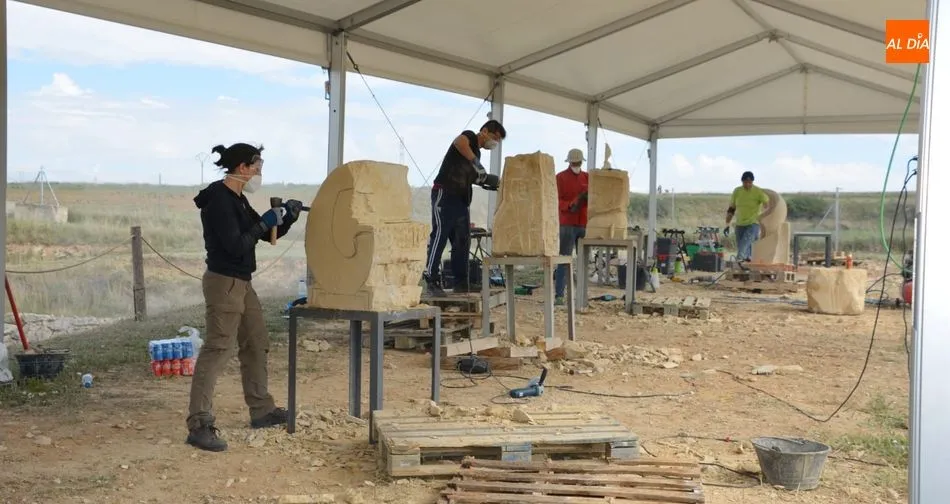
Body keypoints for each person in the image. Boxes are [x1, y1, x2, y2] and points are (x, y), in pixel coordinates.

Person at [186, 142, 304, 452]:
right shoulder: (220, 202)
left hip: (243, 282)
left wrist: (285, 218)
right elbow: (237, 245)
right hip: (224, 282)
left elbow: (264, 234)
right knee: (217, 349)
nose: (259, 174)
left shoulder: (237, 199)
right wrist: (265, 221)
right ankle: (199, 424)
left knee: (255, 342)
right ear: (242, 168)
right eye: (257, 168)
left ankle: (262, 409)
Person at [423, 120, 506, 297]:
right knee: (440, 235)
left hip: (461, 200)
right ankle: (431, 280)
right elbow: (459, 142)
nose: (495, 142)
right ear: (485, 131)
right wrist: (476, 163)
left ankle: (461, 282)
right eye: (495, 137)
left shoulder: (477, 154)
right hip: (444, 194)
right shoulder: (469, 138)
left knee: (462, 241)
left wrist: (487, 181)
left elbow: (473, 177)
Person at [555, 148, 589, 305]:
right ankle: (559, 295)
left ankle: (582, 296)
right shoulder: (560, 178)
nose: (576, 164)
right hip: (567, 224)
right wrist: (570, 205)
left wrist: (585, 198)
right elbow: (556, 200)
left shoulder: (587, 177)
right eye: (573, 162)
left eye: (578, 162)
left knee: (583, 261)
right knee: (564, 259)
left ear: (581, 162)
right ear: (569, 162)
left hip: (583, 223)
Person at [724, 170, 769, 262]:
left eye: (750, 182)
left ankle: (738, 260)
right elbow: (732, 208)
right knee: (744, 247)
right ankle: (748, 267)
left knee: (743, 247)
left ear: (752, 182)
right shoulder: (737, 191)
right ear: (742, 181)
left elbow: (767, 205)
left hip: (753, 223)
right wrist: (727, 224)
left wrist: (765, 215)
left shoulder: (758, 191)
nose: (748, 184)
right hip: (740, 224)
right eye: (745, 182)